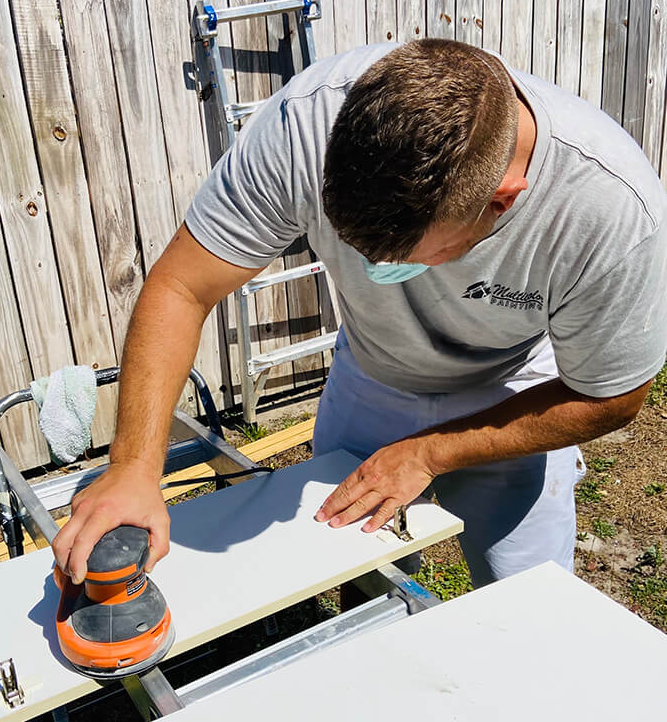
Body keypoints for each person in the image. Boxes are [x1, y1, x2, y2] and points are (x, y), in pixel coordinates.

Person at [53, 38, 667, 589]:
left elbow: (611, 397)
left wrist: (431, 452)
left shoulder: (610, 207)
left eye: (402, 259)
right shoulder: (306, 126)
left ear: (500, 203)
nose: (375, 270)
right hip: (373, 374)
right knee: (363, 581)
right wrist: (135, 469)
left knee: (531, 605)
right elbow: (183, 286)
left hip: (515, 391)